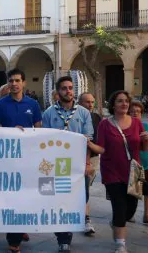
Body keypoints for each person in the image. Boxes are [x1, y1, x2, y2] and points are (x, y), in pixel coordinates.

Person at [42, 76, 104, 252]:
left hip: (77, 166)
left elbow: (87, 141)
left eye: (70, 88)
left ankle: (72, 229)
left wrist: (86, 164)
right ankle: (63, 237)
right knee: (58, 200)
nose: (68, 91)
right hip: (56, 165)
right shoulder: (48, 113)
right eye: (64, 88)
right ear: (57, 92)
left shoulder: (83, 113)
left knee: (79, 199)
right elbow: (44, 139)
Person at [0, 68, 42, 253]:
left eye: (17, 80)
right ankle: (14, 238)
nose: (14, 84)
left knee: (26, 195)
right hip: (8, 159)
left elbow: (38, 130)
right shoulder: (0, 105)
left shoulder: (34, 104)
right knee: (11, 196)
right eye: (11, 81)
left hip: (28, 158)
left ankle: (21, 227)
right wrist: (10, 133)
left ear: (24, 83)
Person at [96, 90, 148, 253]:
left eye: (126, 101)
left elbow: (144, 148)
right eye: (120, 101)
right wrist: (89, 144)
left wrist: (147, 140)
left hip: (133, 171)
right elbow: (101, 148)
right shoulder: (104, 124)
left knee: (131, 208)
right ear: (113, 105)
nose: (124, 104)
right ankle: (120, 244)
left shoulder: (136, 122)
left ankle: (117, 222)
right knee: (119, 206)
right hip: (111, 171)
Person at [128, 100, 148, 224]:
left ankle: (147, 215)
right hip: (132, 165)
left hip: (146, 165)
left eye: (138, 112)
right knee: (133, 193)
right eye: (132, 111)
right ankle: (129, 214)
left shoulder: (146, 127)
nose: (135, 114)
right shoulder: (126, 127)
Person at [78, 92, 102, 235]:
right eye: (87, 102)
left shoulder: (96, 117)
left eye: (92, 102)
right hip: (76, 158)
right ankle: (85, 218)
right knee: (82, 189)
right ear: (80, 103)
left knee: (86, 188)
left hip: (92, 158)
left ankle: (85, 217)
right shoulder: (76, 116)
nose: (90, 105)